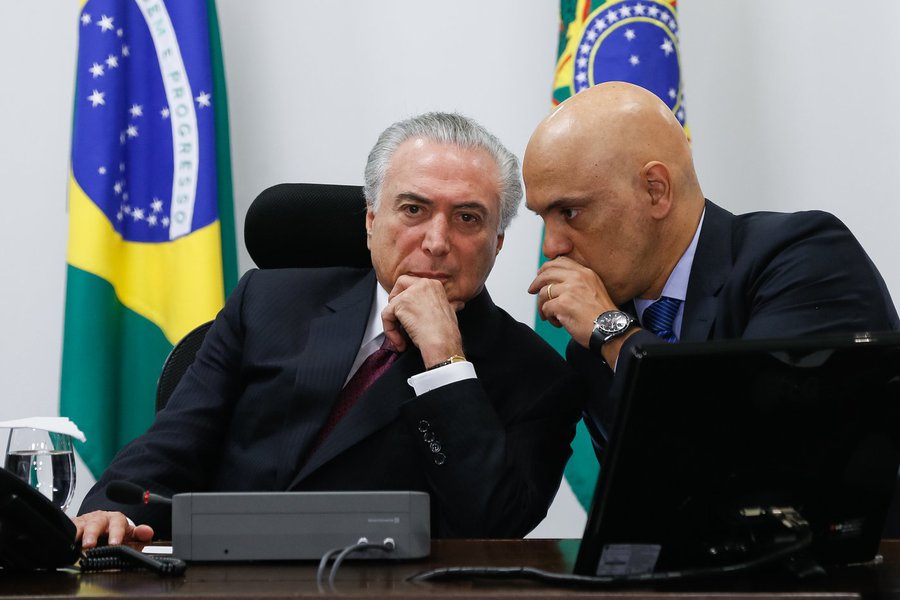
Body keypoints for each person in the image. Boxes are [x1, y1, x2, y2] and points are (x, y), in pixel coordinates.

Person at [75, 112, 583, 547]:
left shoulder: (537, 377)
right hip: (221, 580)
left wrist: (447, 364)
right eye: (413, 209)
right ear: (370, 221)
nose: (435, 241)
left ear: (498, 243)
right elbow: (171, 447)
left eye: (467, 218)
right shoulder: (268, 302)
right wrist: (109, 510)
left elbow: (493, 528)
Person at [525, 81, 900, 448]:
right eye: (543, 218)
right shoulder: (591, 350)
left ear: (655, 190)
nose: (552, 246)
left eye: (570, 211)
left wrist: (615, 335)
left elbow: (761, 449)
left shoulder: (801, 256)